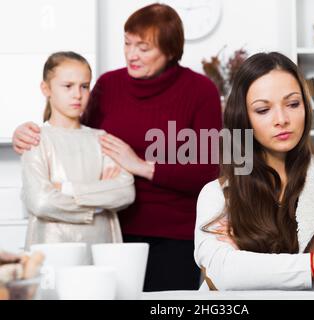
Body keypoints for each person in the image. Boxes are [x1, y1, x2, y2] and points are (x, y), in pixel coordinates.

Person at [12, 4, 222, 291]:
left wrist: (141, 166)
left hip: (173, 235)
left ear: (170, 50)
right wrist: (26, 131)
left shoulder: (200, 91)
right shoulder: (109, 85)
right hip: (111, 230)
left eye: (144, 48)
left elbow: (209, 170)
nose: (132, 54)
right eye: (127, 43)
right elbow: (74, 137)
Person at [195, 52, 314, 292]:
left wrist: (254, 273)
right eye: (263, 110)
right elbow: (224, 273)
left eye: (293, 104)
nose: (281, 119)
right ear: (243, 119)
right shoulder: (218, 195)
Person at [21, 52, 135, 249]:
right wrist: (98, 205)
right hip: (52, 248)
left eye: (84, 86)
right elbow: (40, 201)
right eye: (68, 86)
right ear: (46, 88)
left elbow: (125, 192)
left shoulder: (101, 138)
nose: (77, 95)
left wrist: (65, 189)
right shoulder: (36, 138)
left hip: (101, 247)